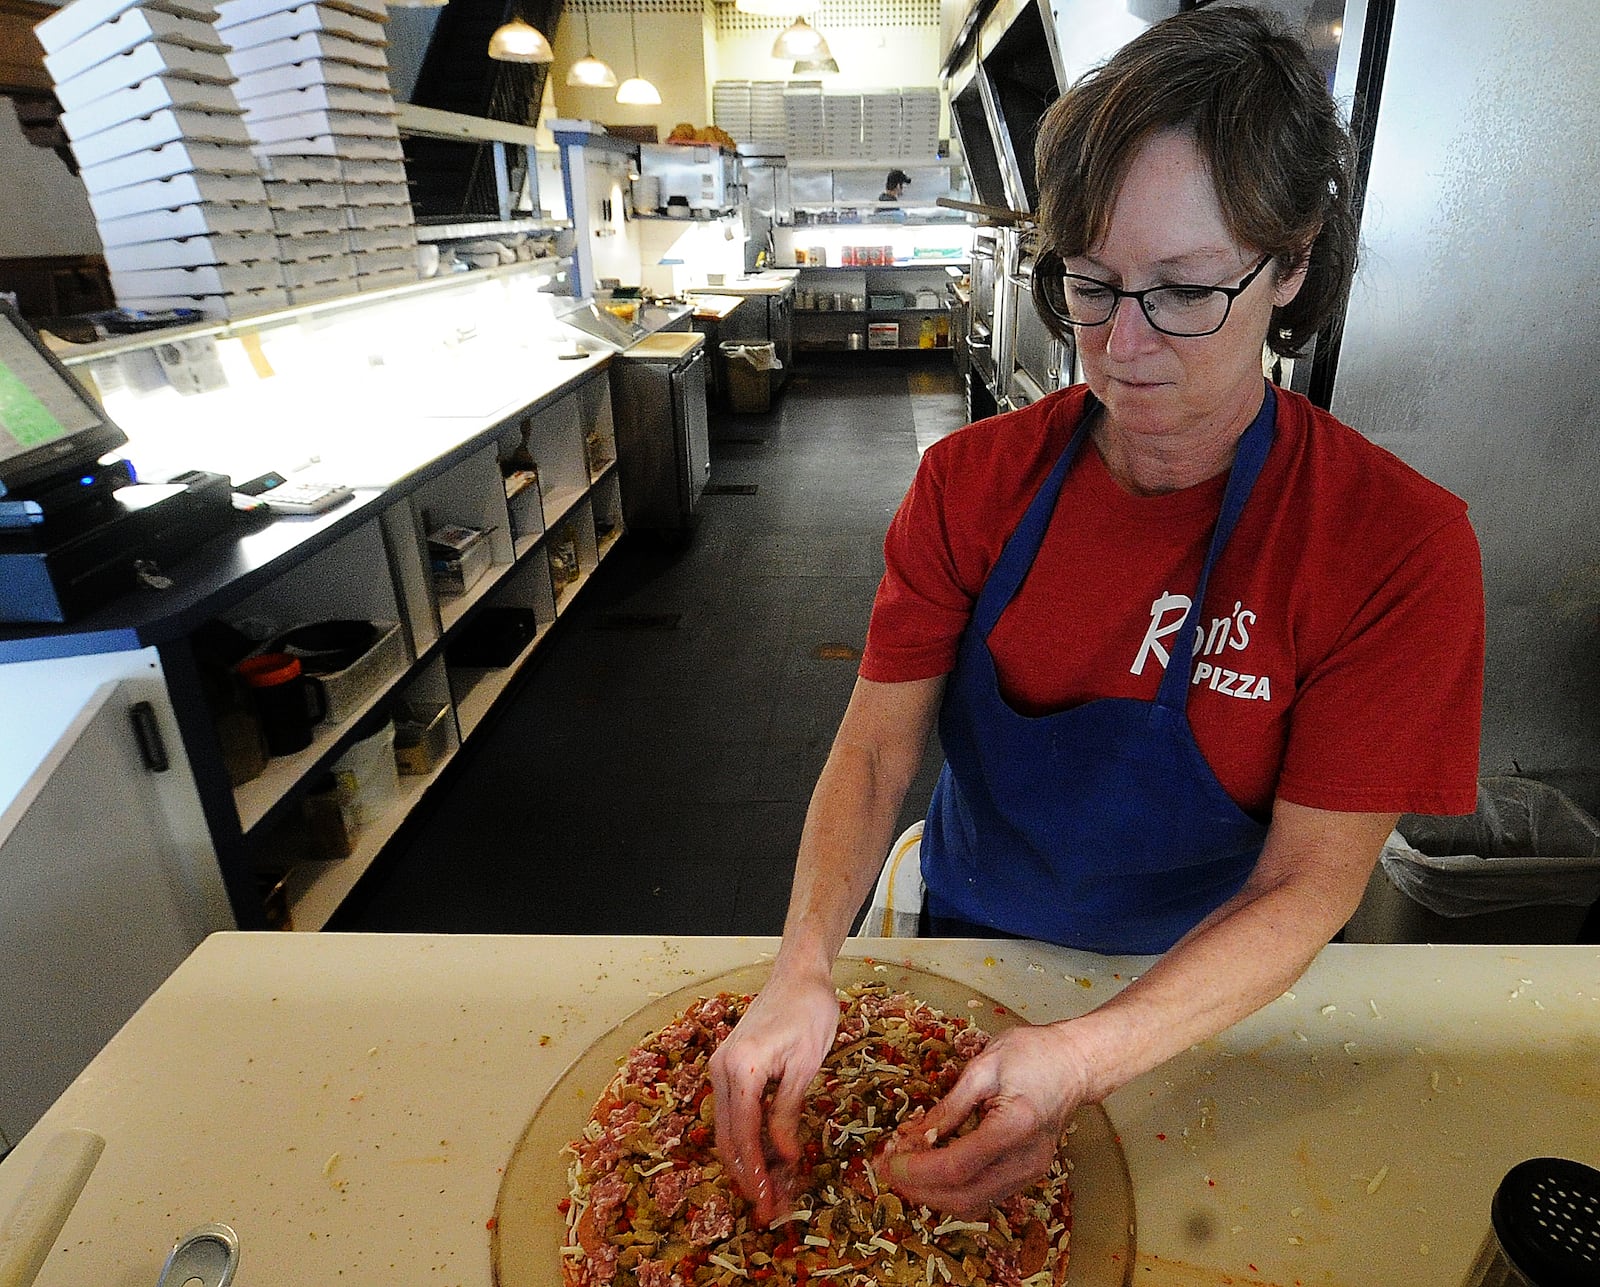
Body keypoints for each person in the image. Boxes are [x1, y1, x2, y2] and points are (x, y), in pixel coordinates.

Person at [708, 4, 1484, 1223]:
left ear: (1289, 265)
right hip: (968, 951)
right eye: (1091, 283)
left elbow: (1307, 886)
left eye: (1183, 291)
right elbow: (874, 748)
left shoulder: (1393, 545)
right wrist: (806, 960)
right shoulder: (971, 486)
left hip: (1210, 1000)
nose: (1120, 348)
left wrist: (1081, 1057)